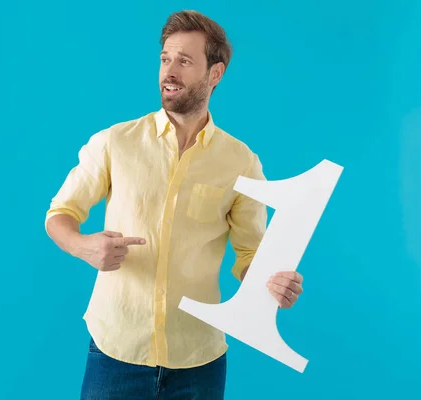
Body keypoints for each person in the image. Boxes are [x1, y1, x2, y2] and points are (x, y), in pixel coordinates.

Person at [45, 9, 304, 399]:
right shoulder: (116, 142)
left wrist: (273, 284)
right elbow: (59, 215)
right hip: (116, 350)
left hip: (198, 361)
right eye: (166, 59)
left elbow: (250, 254)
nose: (169, 71)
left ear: (215, 74)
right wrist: (85, 247)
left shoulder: (241, 161)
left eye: (184, 61)